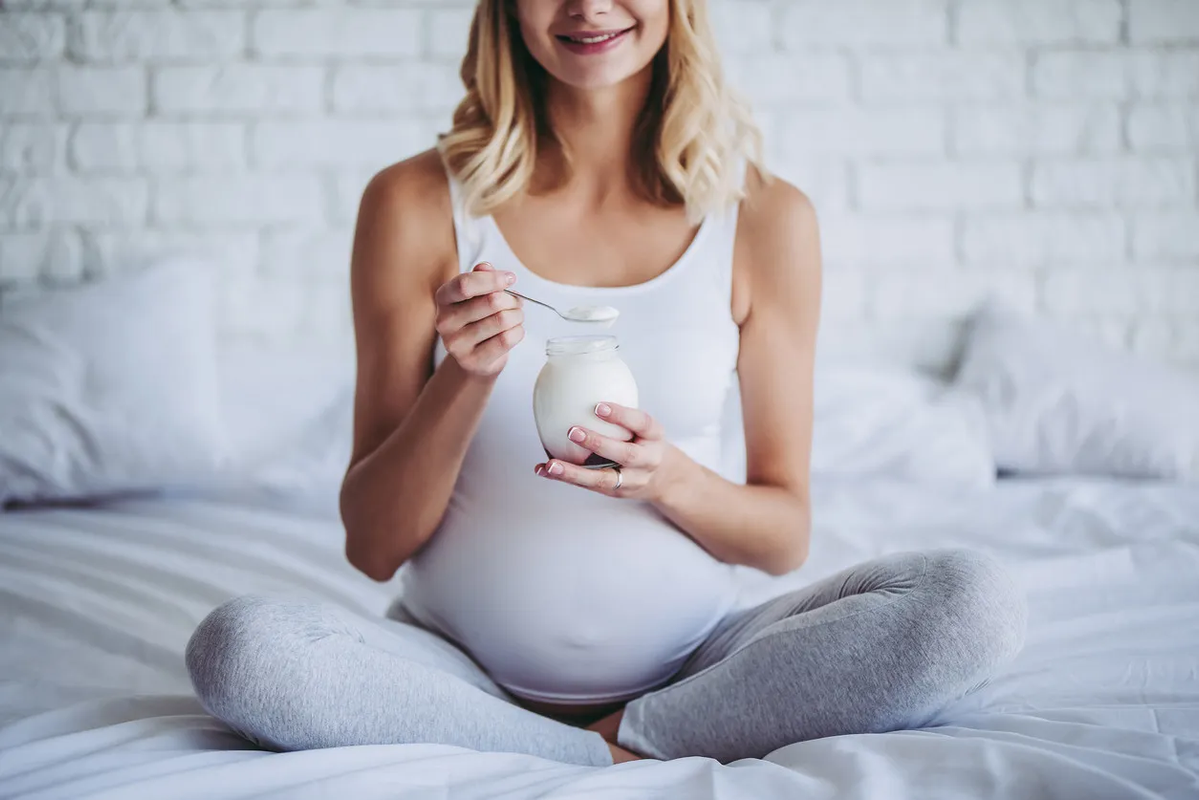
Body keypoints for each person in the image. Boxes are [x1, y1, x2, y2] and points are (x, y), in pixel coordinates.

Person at [186, 0, 1027, 766]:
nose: (588, 7)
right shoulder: (415, 204)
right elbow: (372, 548)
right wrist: (466, 379)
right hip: (451, 667)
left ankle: (621, 738)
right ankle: (587, 755)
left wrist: (668, 478)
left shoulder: (764, 220)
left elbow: (782, 536)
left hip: (699, 667)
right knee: (243, 650)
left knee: (970, 603)